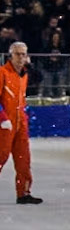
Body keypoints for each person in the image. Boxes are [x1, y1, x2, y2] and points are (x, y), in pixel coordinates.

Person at [0, 41, 39, 204]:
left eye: (24, 54)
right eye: (18, 54)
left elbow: (39, 78)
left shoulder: (24, 74)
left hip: (20, 122)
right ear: (11, 55)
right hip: (5, 124)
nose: (21, 57)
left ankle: (23, 192)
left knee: (24, 159)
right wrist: (2, 118)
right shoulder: (2, 73)